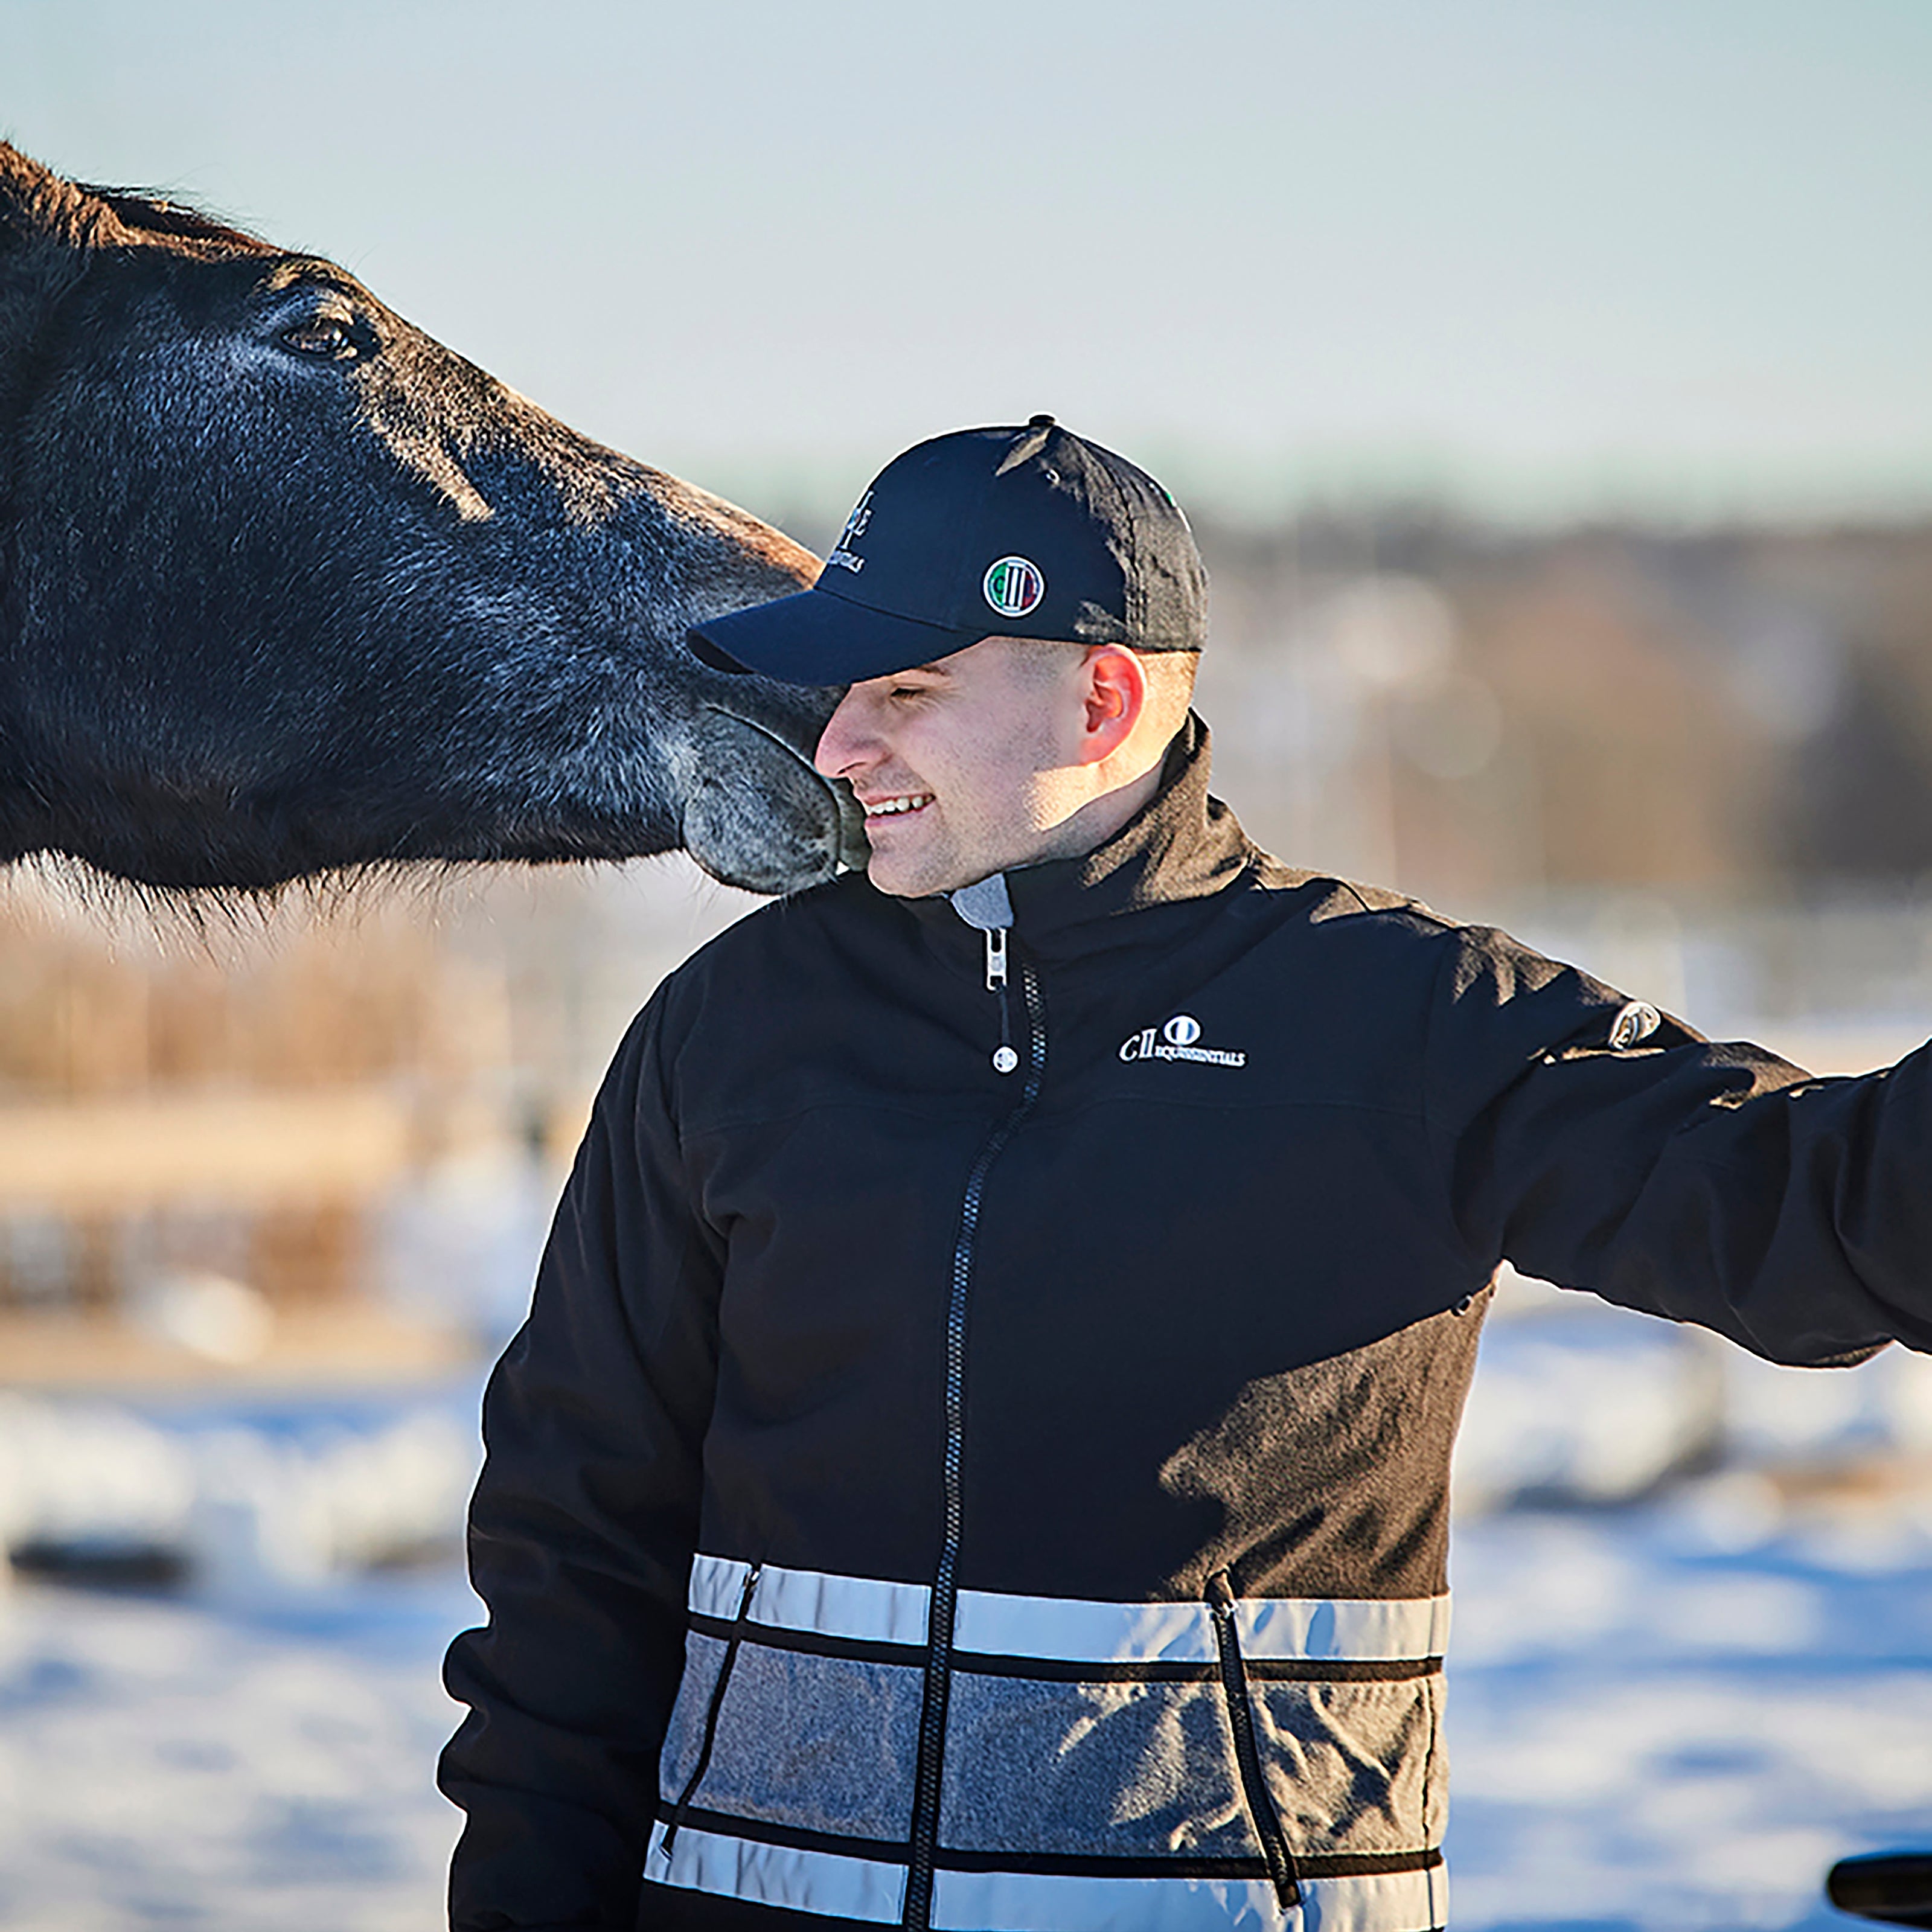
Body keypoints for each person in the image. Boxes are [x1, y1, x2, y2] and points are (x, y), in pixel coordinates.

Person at [440, 418, 1932, 1932]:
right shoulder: (733, 1030)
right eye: (840, 693)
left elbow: (1826, 1216)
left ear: (1099, 695)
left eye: (904, 689)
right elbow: (577, 1534)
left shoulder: (1393, 1022)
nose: (836, 746)